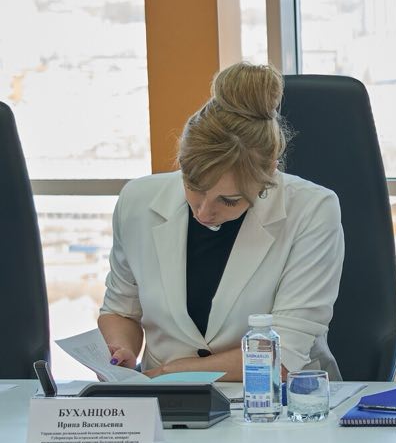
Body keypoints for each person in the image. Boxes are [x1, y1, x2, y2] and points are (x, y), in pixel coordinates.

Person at [98, 62, 344, 380]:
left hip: (281, 398)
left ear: (269, 173)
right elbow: (121, 311)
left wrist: (172, 373)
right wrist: (122, 350)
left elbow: (283, 354)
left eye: (229, 200)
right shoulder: (137, 201)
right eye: (194, 187)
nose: (203, 212)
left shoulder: (312, 210)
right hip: (162, 397)